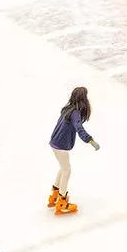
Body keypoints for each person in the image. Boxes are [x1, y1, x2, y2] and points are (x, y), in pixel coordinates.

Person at [48, 87, 99, 216]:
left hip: (55, 142)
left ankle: (54, 194)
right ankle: (62, 201)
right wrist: (90, 140)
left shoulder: (68, 108)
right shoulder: (75, 113)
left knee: (63, 168)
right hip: (60, 145)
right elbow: (79, 128)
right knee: (67, 170)